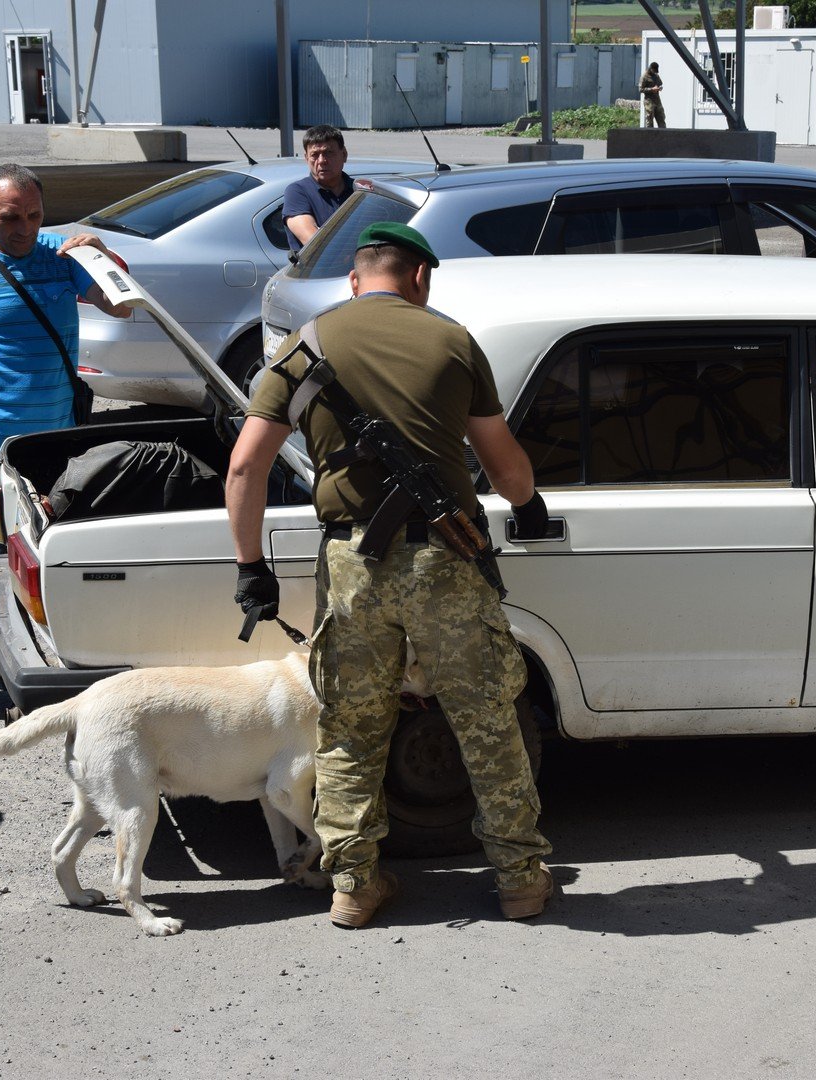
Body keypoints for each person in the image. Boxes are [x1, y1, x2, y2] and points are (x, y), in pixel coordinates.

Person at [225, 222, 556, 928]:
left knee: (350, 726)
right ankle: (521, 881)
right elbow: (505, 467)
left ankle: (353, 885)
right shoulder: (452, 340)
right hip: (447, 559)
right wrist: (528, 506)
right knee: (489, 722)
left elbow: (246, 466)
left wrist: (252, 567)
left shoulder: (303, 345)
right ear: (420, 279)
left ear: (355, 279)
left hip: (353, 564)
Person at [0, 164, 131, 575]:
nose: (25, 228)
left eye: (34, 215)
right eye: (10, 217)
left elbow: (119, 305)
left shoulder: (62, 256)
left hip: (58, 438)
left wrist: (102, 255)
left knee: (55, 556)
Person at [282, 125, 353, 253]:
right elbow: (315, 243)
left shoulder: (360, 191)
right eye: (315, 155)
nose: (321, 161)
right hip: (316, 272)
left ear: (344, 155)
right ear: (306, 158)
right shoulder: (297, 192)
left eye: (328, 153)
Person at [640, 61, 666, 129]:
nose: (655, 72)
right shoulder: (644, 77)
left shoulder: (656, 76)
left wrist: (659, 88)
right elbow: (641, 89)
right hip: (649, 101)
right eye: (654, 71)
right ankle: (650, 136)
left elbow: (660, 83)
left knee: (661, 118)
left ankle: (663, 136)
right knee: (649, 120)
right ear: (651, 69)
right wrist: (651, 89)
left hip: (657, 100)